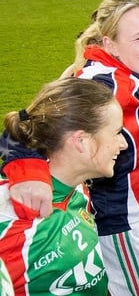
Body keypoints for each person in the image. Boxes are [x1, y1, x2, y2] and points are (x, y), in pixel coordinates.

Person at [1, 0, 139, 296]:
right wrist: (26, 167)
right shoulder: (101, 83)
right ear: (110, 44)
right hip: (129, 229)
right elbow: (29, 123)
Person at [0, 78, 127, 295]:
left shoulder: (76, 186)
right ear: (81, 141)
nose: (123, 144)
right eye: (117, 132)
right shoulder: (13, 220)